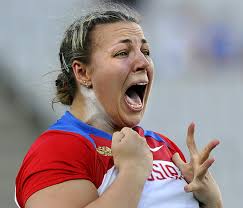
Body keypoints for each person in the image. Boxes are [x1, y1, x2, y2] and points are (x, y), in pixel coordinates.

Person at [15, 3, 223, 208]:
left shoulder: (163, 146)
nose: (143, 62)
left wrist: (213, 203)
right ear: (83, 73)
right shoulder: (59, 149)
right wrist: (132, 171)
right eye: (122, 53)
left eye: (146, 51)